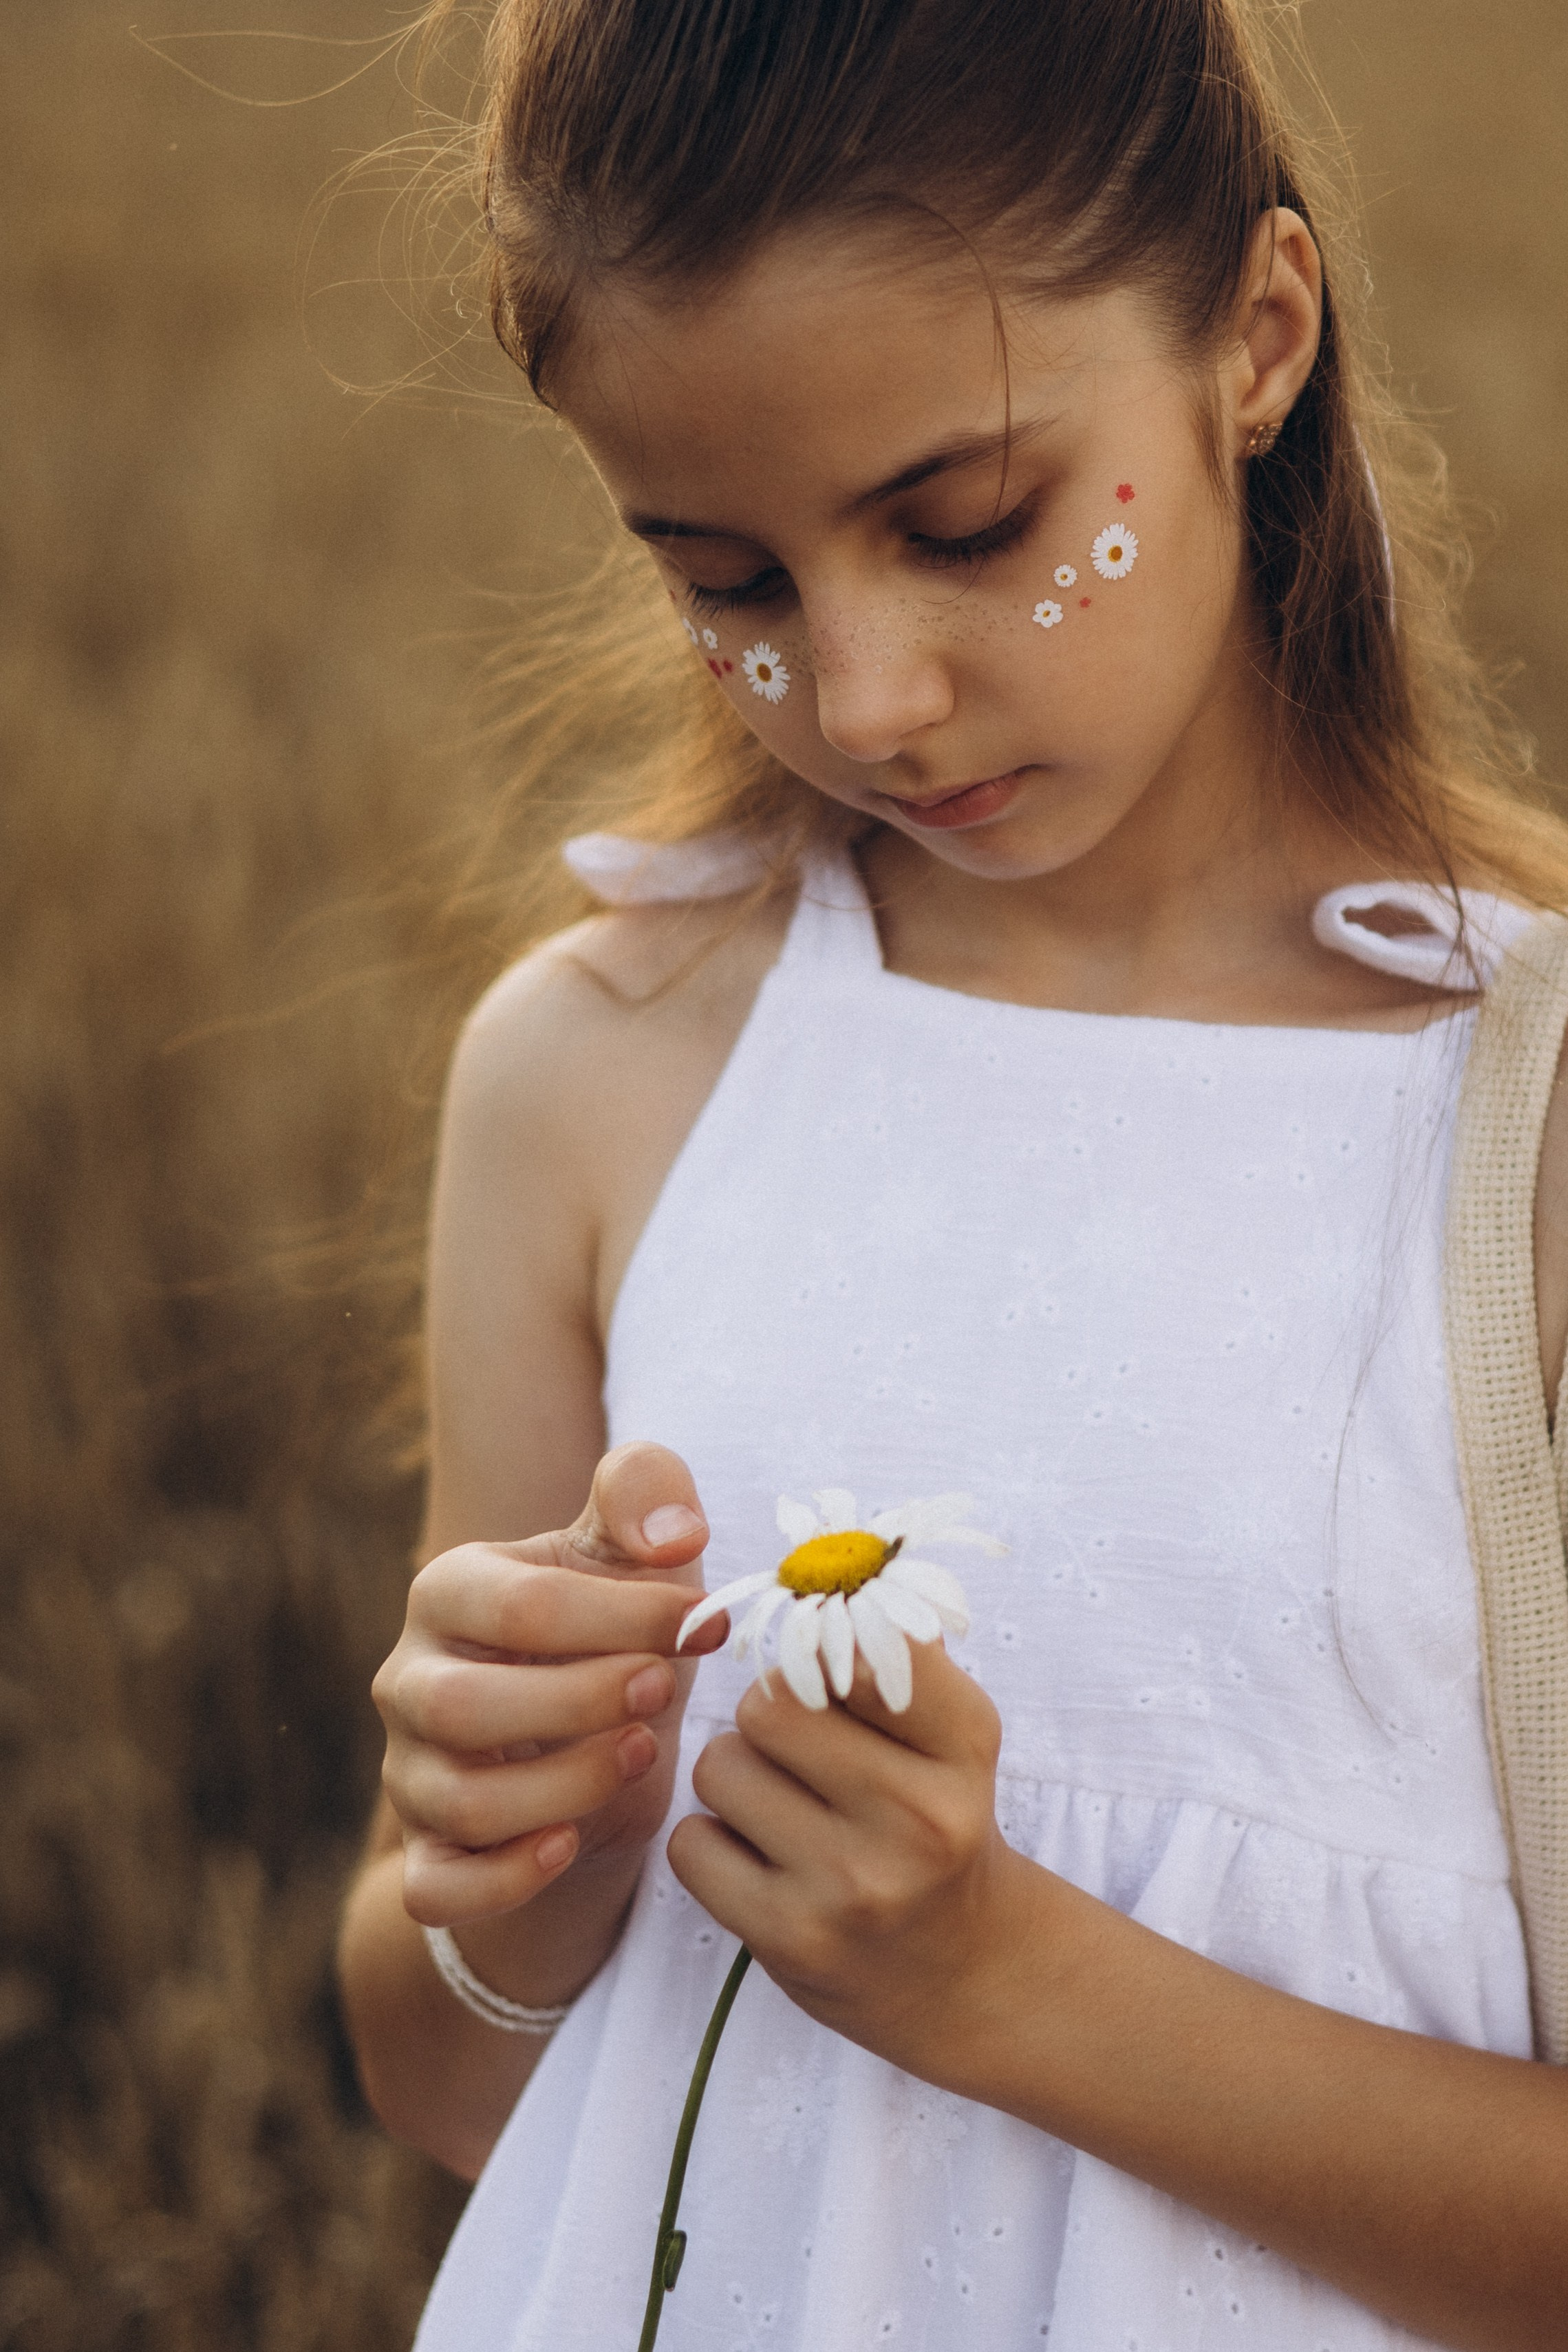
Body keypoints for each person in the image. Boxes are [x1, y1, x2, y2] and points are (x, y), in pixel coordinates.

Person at [336, 2, 1568, 2344]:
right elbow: (441, 2082)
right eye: (731, 578)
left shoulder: (1524, 1144)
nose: (866, 693)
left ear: (1258, 338)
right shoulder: (595, 1076)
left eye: (971, 521)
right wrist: (512, 1866)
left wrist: (1010, 1983)